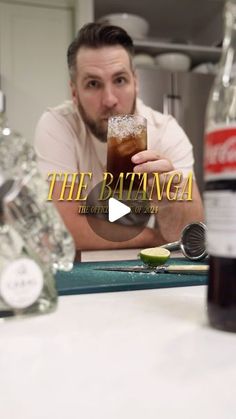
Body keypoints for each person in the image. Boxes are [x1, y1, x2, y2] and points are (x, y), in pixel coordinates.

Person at [34, 22, 203, 251]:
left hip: (148, 270)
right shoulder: (59, 125)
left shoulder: (166, 131)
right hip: (82, 271)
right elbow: (63, 229)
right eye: (93, 84)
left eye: (120, 80)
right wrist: (155, 238)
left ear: (136, 83)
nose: (110, 100)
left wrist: (168, 203)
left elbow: (193, 237)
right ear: (74, 94)